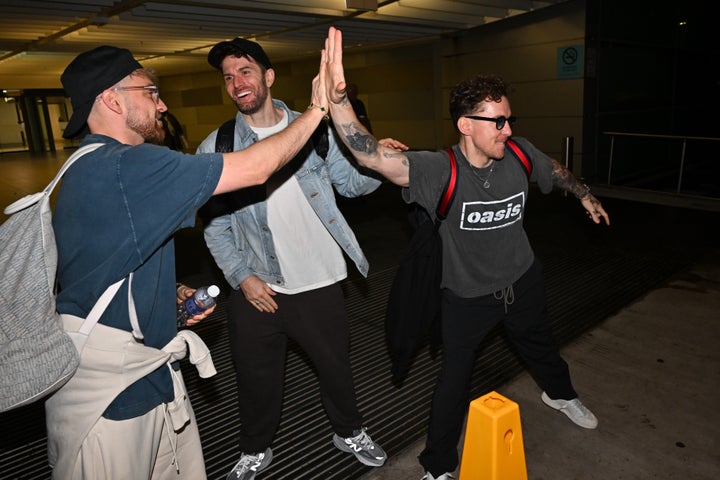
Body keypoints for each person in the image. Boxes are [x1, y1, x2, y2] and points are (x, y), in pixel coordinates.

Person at [322, 27, 610, 480]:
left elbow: (552, 168)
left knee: (543, 351)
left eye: (509, 118)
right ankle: (438, 466)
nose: (508, 129)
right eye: (497, 121)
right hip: (467, 297)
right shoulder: (439, 170)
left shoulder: (517, 151)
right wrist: (337, 103)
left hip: (523, 281)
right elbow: (372, 157)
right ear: (466, 125)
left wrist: (584, 193)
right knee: (453, 384)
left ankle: (560, 394)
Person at [47, 36, 330, 480]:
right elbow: (256, 168)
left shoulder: (87, 165)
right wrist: (318, 108)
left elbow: (107, 259)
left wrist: (170, 293)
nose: (161, 106)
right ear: (111, 100)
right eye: (150, 92)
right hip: (116, 398)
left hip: (137, 372)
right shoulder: (130, 166)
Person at [195, 36, 405, 480]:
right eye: (228, 77)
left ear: (268, 77)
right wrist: (242, 277)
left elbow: (351, 186)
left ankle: (348, 431)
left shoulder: (318, 130)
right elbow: (215, 225)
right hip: (257, 287)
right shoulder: (218, 146)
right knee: (255, 379)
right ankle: (255, 448)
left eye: (245, 71)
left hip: (318, 281)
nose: (237, 83)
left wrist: (380, 163)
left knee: (336, 369)